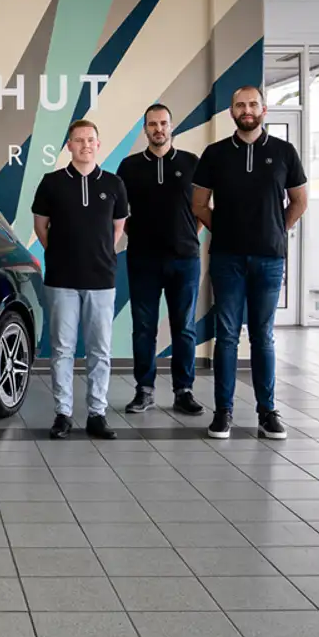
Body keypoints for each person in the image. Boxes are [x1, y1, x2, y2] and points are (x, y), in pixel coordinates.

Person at [192, 85, 307, 440]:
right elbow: (199, 204)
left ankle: (267, 412)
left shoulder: (284, 152)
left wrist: (276, 230)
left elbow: (299, 201)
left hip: (269, 259)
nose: (246, 110)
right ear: (231, 112)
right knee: (226, 336)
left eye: (253, 104)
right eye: (240, 105)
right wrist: (226, 230)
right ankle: (223, 412)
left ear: (264, 110)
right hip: (227, 258)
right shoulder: (214, 154)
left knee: (263, 336)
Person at [32, 119, 129, 440]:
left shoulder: (114, 184)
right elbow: (41, 226)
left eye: (90, 140)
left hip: (101, 278)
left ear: (98, 144)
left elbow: (117, 228)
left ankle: (97, 414)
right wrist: (59, 253)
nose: (85, 145)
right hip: (61, 280)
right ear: (69, 146)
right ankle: (63, 414)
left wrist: (99, 253)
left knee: (100, 350)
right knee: (62, 349)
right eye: (79, 140)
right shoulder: (52, 183)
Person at [116, 103, 204, 417]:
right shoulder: (129, 167)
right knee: (143, 328)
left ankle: (184, 391)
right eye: (152, 124)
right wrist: (140, 235)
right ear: (145, 129)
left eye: (163, 123)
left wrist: (185, 235)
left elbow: (200, 209)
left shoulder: (191, 163)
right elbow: (120, 213)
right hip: (143, 260)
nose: (158, 129)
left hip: (185, 260)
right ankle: (145, 390)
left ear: (171, 126)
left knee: (185, 328)